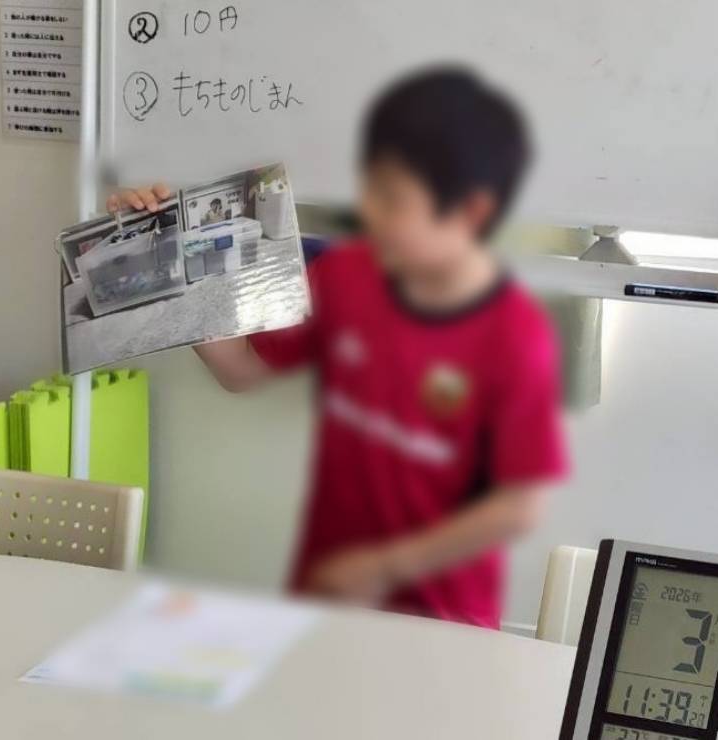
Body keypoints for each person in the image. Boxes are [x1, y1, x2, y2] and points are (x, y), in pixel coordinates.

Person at [108, 68, 568, 629]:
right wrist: (164, 252)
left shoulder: (514, 333)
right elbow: (240, 371)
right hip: (329, 605)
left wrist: (385, 566)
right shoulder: (344, 276)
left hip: (446, 622)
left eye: (401, 200)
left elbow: (519, 507)